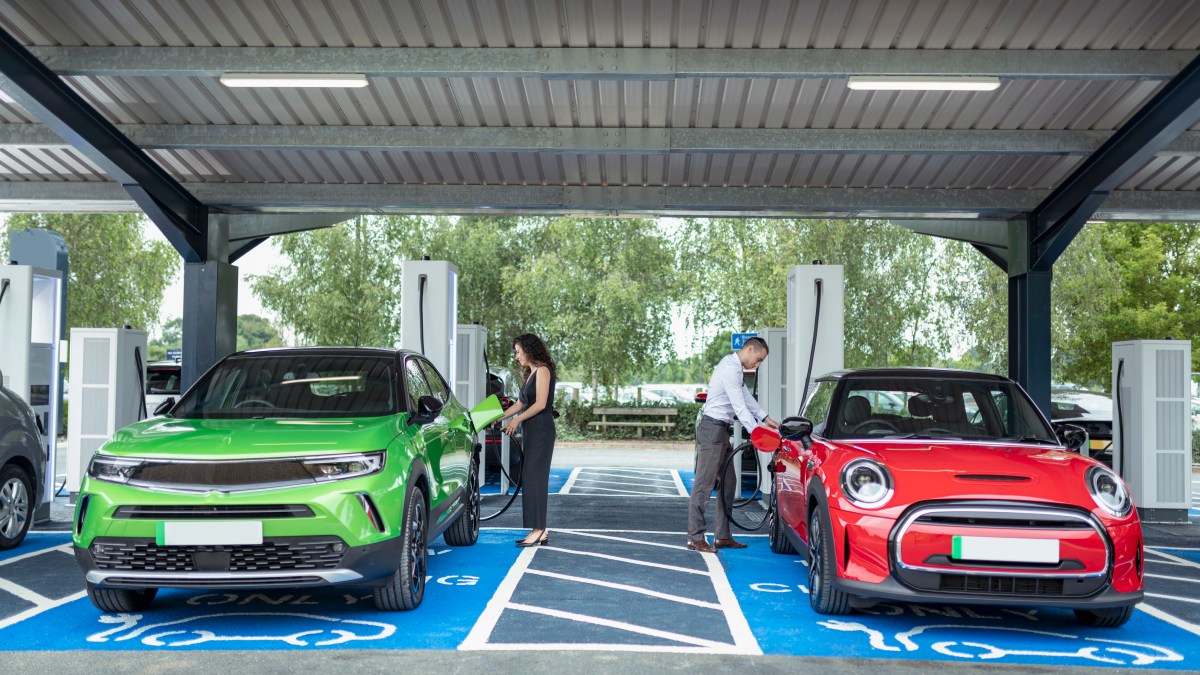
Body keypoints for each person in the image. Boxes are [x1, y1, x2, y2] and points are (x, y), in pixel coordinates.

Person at [688, 336, 778, 553]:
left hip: (721, 430)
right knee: (704, 484)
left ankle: (722, 536)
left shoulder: (736, 370)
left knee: (729, 482)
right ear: (750, 349)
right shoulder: (730, 368)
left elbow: (746, 398)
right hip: (712, 429)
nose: (757, 365)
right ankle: (695, 537)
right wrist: (756, 432)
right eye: (758, 359)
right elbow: (739, 406)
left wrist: (765, 419)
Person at [500, 333, 558, 547]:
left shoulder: (543, 370)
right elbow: (520, 404)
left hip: (541, 428)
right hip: (533, 429)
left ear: (528, 350)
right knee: (530, 476)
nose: (516, 357)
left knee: (536, 478)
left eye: (518, 352)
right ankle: (538, 530)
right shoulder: (531, 373)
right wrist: (497, 418)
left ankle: (539, 530)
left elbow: (540, 404)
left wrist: (516, 420)